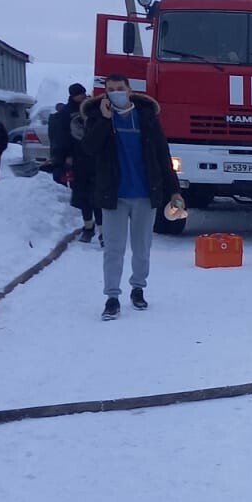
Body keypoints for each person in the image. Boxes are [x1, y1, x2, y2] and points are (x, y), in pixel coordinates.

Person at [81, 76, 183, 320]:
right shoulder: (98, 117)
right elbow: (89, 148)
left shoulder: (147, 116)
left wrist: (174, 190)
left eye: (120, 89)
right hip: (113, 194)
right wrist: (105, 121)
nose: (116, 93)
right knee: (113, 249)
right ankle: (112, 297)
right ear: (105, 93)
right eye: (111, 90)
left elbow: (162, 154)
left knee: (141, 247)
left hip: (145, 194)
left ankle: (138, 288)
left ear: (129, 91)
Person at [53, 83, 101, 242]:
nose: (82, 96)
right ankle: (88, 227)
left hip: (95, 159)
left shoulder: (92, 108)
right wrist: (62, 159)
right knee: (83, 197)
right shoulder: (66, 113)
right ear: (73, 95)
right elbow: (61, 138)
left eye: (83, 93)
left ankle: (103, 231)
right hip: (77, 160)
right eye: (79, 94)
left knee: (98, 196)